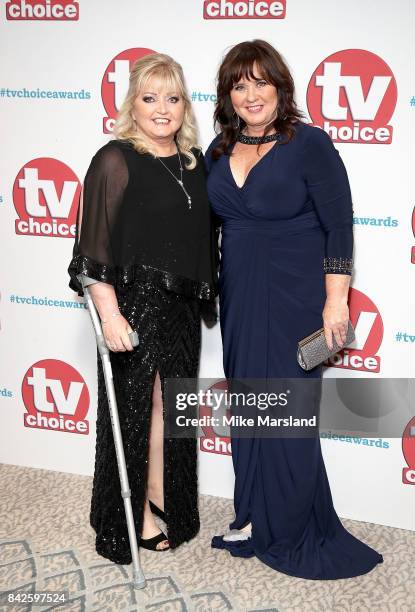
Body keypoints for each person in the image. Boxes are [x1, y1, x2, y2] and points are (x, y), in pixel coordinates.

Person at [205, 40, 383, 579]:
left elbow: (339, 227)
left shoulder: (311, 145)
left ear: (281, 87)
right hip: (239, 294)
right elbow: (203, 227)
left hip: (294, 296)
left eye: (261, 81)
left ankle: (293, 525)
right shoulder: (218, 148)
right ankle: (256, 516)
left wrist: (336, 303)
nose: (251, 94)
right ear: (228, 95)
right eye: (239, 84)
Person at [68, 53, 217, 561]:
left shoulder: (195, 164)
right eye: (150, 98)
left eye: (172, 98)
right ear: (133, 102)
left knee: (168, 410)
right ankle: (125, 518)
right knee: (129, 412)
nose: (162, 109)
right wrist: (109, 314)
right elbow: (93, 248)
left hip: (179, 311)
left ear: (184, 106)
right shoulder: (115, 158)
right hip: (133, 305)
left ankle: (160, 495)